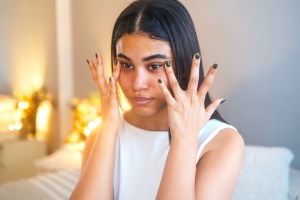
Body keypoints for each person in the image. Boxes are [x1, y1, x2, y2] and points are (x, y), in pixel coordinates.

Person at [70, 0, 244, 199]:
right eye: (126, 65)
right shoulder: (102, 133)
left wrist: (184, 140)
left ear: (185, 65)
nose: (137, 84)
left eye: (154, 66)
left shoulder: (221, 142)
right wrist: (108, 129)